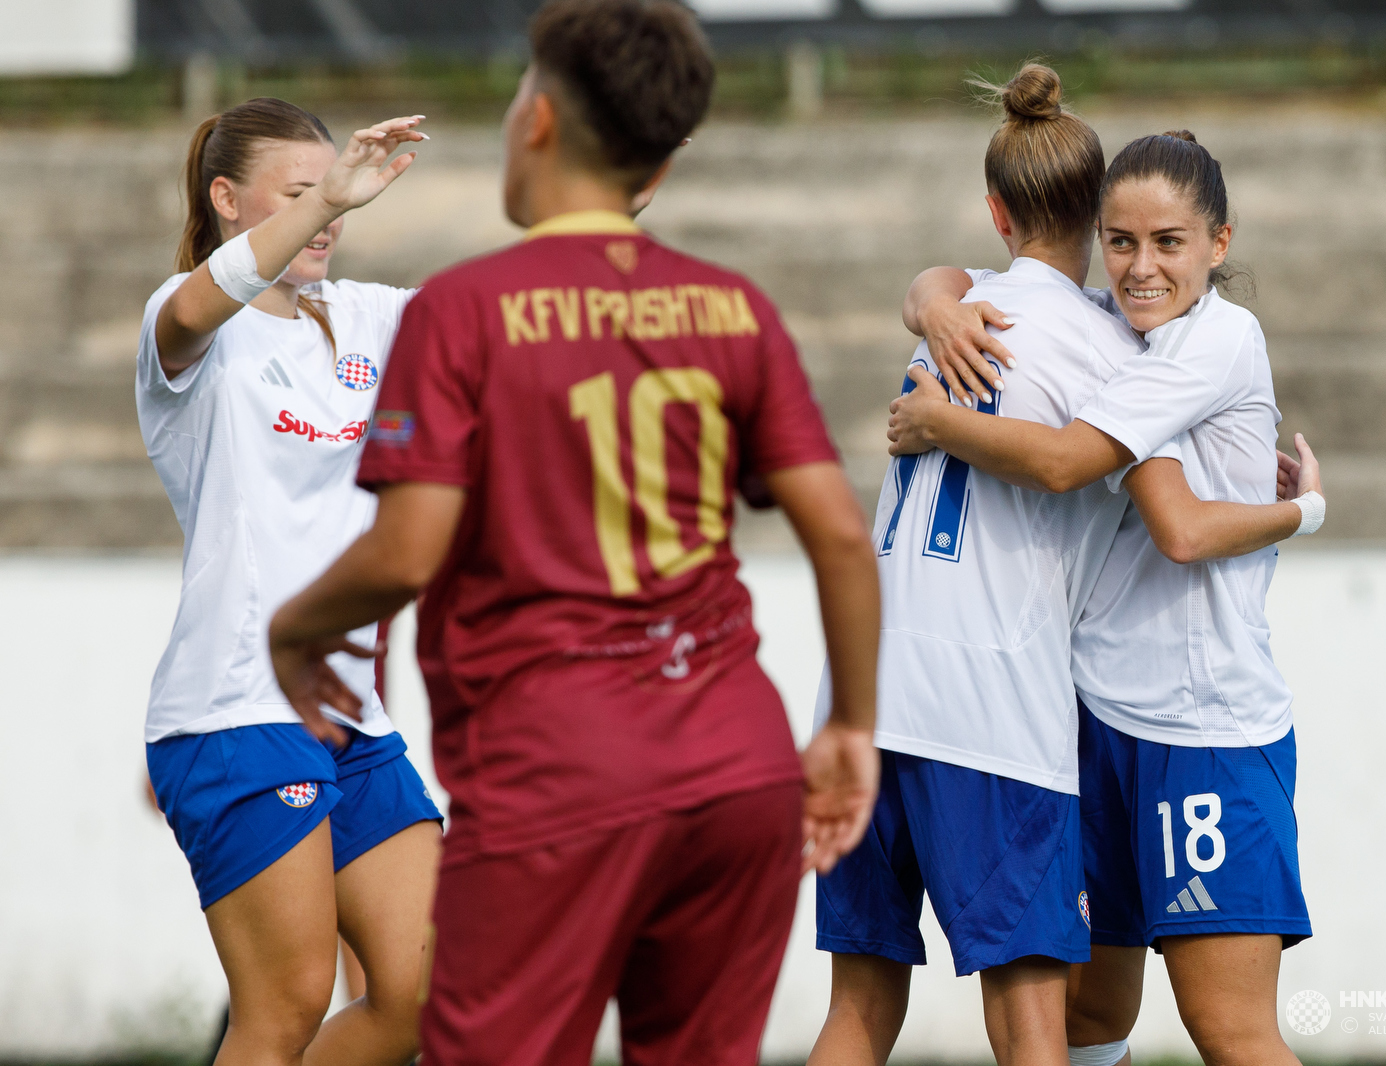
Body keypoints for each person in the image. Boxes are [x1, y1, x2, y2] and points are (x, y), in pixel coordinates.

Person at [265, 2, 882, 1064]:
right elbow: (837, 535)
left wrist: (292, 629)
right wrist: (850, 728)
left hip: (554, 774)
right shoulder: (733, 305)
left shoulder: (460, 310)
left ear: (539, 119)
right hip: (737, 766)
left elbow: (409, 550)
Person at [807, 67, 1319, 1066]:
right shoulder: (1110, 344)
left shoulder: (1027, 320)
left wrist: (929, 331)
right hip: (1025, 714)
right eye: (1124, 240)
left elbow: (1155, 514)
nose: (1138, 265)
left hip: (959, 702)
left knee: (873, 1012)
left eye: (1166, 243)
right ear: (1093, 219)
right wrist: (1301, 508)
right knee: (1054, 1022)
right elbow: (1124, 492)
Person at [137, 98, 442, 1066]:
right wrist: (323, 202)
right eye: (303, 194)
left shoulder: (370, 317)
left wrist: (618, 176)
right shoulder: (187, 323)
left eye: (338, 194)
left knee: (426, 994)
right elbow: (196, 306)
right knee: (286, 1005)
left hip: (352, 716)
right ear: (228, 200)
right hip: (234, 714)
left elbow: (502, 318)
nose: (334, 212)